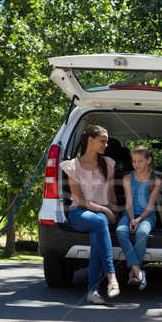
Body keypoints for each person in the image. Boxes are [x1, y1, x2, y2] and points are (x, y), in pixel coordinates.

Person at [60, 125, 120, 305]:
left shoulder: (108, 163)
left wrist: (117, 216)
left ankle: (92, 290)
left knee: (99, 228)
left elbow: (111, 195)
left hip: (99, 216)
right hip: (79, 213)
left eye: (107, 141)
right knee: (100, 222)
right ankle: (111, 277)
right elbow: (78, 200)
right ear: (90, 141)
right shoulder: (73, 166)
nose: (106, 145)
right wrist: (105, 210)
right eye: (102, 141)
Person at [115, 144, 162, 291]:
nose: (136, 164)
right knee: (121, 231)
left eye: (140, 161)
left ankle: (132, 272)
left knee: (142, 233)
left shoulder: (156, 180)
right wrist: (131, 218)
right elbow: (128, 203)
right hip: (129, 214)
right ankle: (137, 270)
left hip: (147, 216)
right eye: (134, 161)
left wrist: (139, 219)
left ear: (148, 160)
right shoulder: (128, 178)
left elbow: (150, 206)